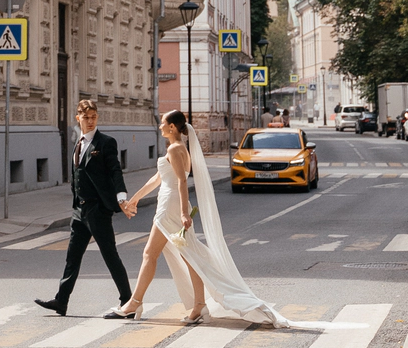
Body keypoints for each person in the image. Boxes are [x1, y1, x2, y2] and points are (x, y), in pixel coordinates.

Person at [105, 110, 287, 326]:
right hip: (169, 204)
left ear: (172, 127)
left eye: (163, 123)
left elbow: (182, 181)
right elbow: (158, 179)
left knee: (150, 254)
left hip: (170, 207)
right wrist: (135, 199)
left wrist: (183, 212)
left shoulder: (175, 149)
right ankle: (198, 304)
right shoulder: (178, 148)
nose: (160, 126)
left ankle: (134, 303)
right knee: (189, 256)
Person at [35, 99, 132, 317]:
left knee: (110, 256)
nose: (90, 121)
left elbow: (115, 171)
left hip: (98, 210)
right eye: (86, 117)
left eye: (94, 117)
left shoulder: (106, 143)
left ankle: (127, 301)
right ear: (77, 118)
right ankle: (61, 301)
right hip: (79, 210)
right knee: (72, 257)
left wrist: (121, 197)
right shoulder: (78, 142)